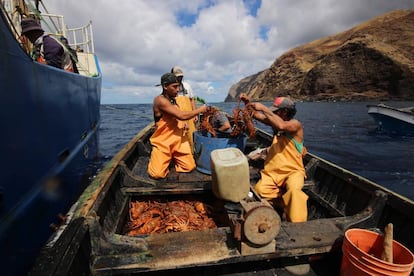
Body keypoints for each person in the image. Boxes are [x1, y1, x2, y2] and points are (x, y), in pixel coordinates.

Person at [240, 93, 308, 222]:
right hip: (273, 172)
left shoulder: (295, 125)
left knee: (294, 192)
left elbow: (282, 126)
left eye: (276, 111)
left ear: (285, 112)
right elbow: (256, 115)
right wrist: (247, 103)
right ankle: (282, 204)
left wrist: (264, 109)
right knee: (259, 190)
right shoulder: (275, 122)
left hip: (292, 172)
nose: (274, 113)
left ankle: (298, 225)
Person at [148, 73, 210, 179]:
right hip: (163, 142)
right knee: (157, 174)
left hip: (177, 140)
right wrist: (200, 110)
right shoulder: (160, 100)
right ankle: (160, 156)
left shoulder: (173, 100)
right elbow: (181, 115)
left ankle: (169, 158)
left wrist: (183, 123)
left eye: (178, 86)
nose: (178, 90)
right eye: (174, 87)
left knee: (189, 167)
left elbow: (177, 115)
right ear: (165, 86)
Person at [171, 66, 197, 150]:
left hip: (189, 115)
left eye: (181, 76)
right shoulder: (170, 88)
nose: (180, 78)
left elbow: (192, 100)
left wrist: (195, 114)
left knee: (192, 135)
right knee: (179, 137)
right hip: (177, 117)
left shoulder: (187, 86)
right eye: (178, 77)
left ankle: (192, 153)